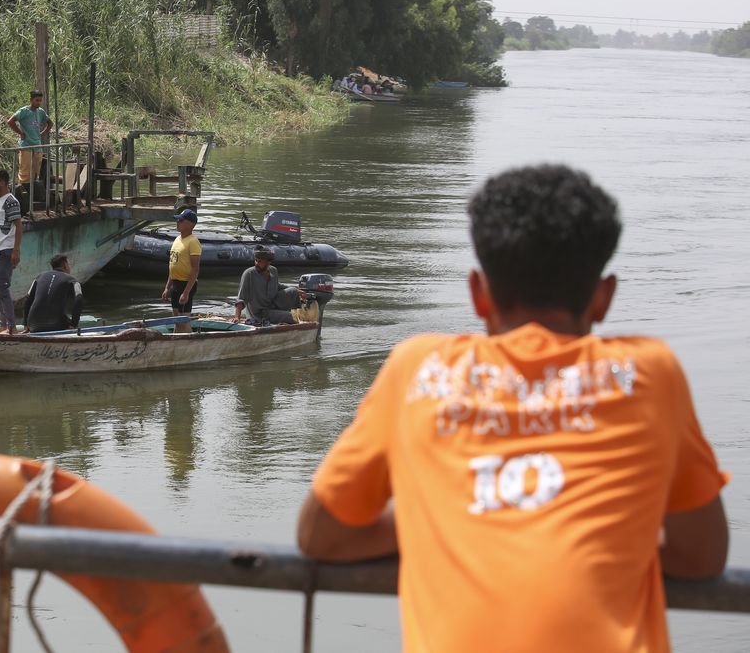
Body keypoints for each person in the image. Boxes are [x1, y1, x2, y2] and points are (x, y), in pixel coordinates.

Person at [296, 165, 728, 653]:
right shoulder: (649, 374)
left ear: (478, 293)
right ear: (604, 297)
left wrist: (448, 509)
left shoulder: (419, 368)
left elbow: (320, 535)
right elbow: (702, 555)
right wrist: (589, 530)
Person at [0, 169, 23, 334]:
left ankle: (12, 327)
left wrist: (16, 250)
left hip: (7, 250)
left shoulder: (10, 201)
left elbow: (19, 226)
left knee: (2, 288)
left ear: (2, 182)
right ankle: (3, 324)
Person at [233, 246, 302, 325]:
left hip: (271, 306)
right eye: (256, 260)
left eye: (260, 261)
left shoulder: (273, 270)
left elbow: (277, 286)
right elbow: (241, 298)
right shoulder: (249, 274)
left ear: (268, 262)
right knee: (289, 316)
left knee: (292, 291)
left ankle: (296, 315)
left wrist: (297, 291)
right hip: (259, 314)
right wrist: (237, 317)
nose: (257, 264)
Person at [23, 254, 83, 333]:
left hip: (33, 324)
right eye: (68, 264)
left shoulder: (39, 277)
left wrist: (26, 324)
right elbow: (79, 299)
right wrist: (74, 324)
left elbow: (27, 299)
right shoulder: (72, 280)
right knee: (67, 320)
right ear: (65, 265)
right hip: (56, 324)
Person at [7, 90, 53, 192]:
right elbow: (10, 121)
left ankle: (33, 192)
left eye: (40, 101)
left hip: (37, 145)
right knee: (24, 171)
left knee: (36, 170)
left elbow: (50, 123)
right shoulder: (24, 111)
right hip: (26, 144)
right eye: (37, 100)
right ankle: (22, 192)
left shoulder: (41, 112)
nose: (38, 103)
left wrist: (43, 133)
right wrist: (20, 133)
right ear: (31, 100)